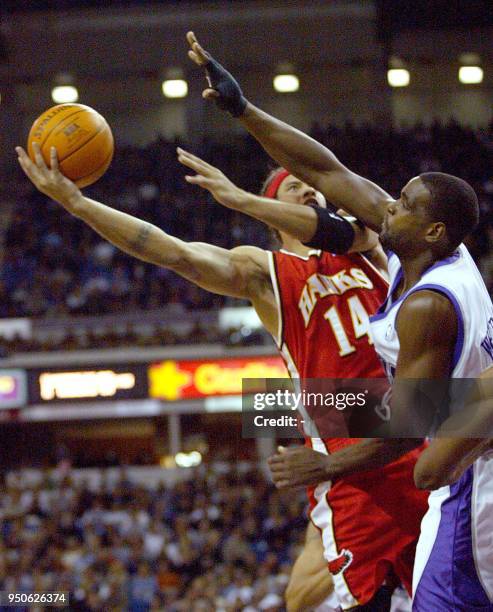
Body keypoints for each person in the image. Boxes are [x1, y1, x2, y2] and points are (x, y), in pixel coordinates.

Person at [17, 144, 427, 611]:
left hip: (415, 434)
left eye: (314, 188)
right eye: (294, 187)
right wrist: (78, 203)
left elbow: (343, 184)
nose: (310, 191)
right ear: (274, 215)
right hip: (351, 449)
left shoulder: (368, 245)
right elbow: (171, 252)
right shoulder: (264, 269)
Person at [185, 31, 493, 610]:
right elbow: (327, 168)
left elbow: (409, 429)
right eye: (395, 200)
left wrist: (324, 459)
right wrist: (243, 110)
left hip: (448, 457)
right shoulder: (286, 266)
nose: (387, 207)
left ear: (430, 230)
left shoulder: (401, 276)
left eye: (402, 205)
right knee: (307, 589)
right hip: (377, 414)